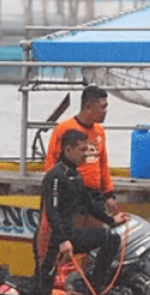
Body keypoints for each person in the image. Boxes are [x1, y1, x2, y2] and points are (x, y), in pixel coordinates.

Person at [34, 129, 130, 295]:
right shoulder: (55, 176)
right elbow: (52, 211)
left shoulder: (76, 176)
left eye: (87, 150)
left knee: (111, 238)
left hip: (69, 236)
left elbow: (89, 205)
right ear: (68, 150)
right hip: (51, 240)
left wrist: (111, 220)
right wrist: (63, 241)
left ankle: (94, 288)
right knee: (41, 291)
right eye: (82, 150)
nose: (87, 154)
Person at [44, 85, 118, 217]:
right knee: (75, 232)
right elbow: (51, 162)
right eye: (102, 107)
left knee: (96, 231)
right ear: (89, 106)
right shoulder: (63, 128)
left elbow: (103, 164)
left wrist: (108, 194)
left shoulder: (99, 131)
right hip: (72, 193)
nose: (105, 111)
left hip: (95, 194)